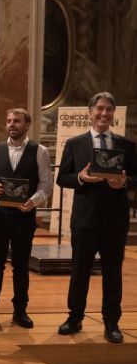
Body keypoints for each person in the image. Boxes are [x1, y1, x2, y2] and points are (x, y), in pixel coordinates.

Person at [56, 92, 137, 343]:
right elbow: (63, 178)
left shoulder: (127, 145)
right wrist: (81, 178)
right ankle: (75, 317)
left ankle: (111, 322)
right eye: (100, 109)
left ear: (114, 114)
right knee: (80, 271)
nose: (104, 114)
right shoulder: (75, 144)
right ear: (90, 112)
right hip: (85, 220)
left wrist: (124, 183)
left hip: (115, 220)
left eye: (109, 109)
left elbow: (136, 178)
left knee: (113, 272)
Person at [0, 108, 52, 329]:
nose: (11, 124)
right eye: (9, 121)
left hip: (24, 217)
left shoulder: (40, 151)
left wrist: (33, 202)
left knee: (20, 264)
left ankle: (20, 310)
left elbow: (46, 185)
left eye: (17, 121)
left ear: (27, 124)